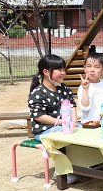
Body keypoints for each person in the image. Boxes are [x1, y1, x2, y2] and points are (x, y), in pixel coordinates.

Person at [28, 54, 78, 184]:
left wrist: (74, 121)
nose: (63, 73)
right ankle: (60, 171)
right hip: (44, 131)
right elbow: (39, 116)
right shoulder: (37, 93)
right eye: (59, 70)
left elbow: (72, 104)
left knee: (80, 130)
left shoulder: (63, 88)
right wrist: (63, 122)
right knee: (63, 133)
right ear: (46, 72)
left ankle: (81, 165)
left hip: (64, 126)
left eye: (63, 69)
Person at [77, 52, 103, 123]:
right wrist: (85, 89)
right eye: (89, 66)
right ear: (85, 68)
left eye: (97, 67)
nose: (92, 70)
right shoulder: (82, 87)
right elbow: (85, 108)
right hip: (89, 123)